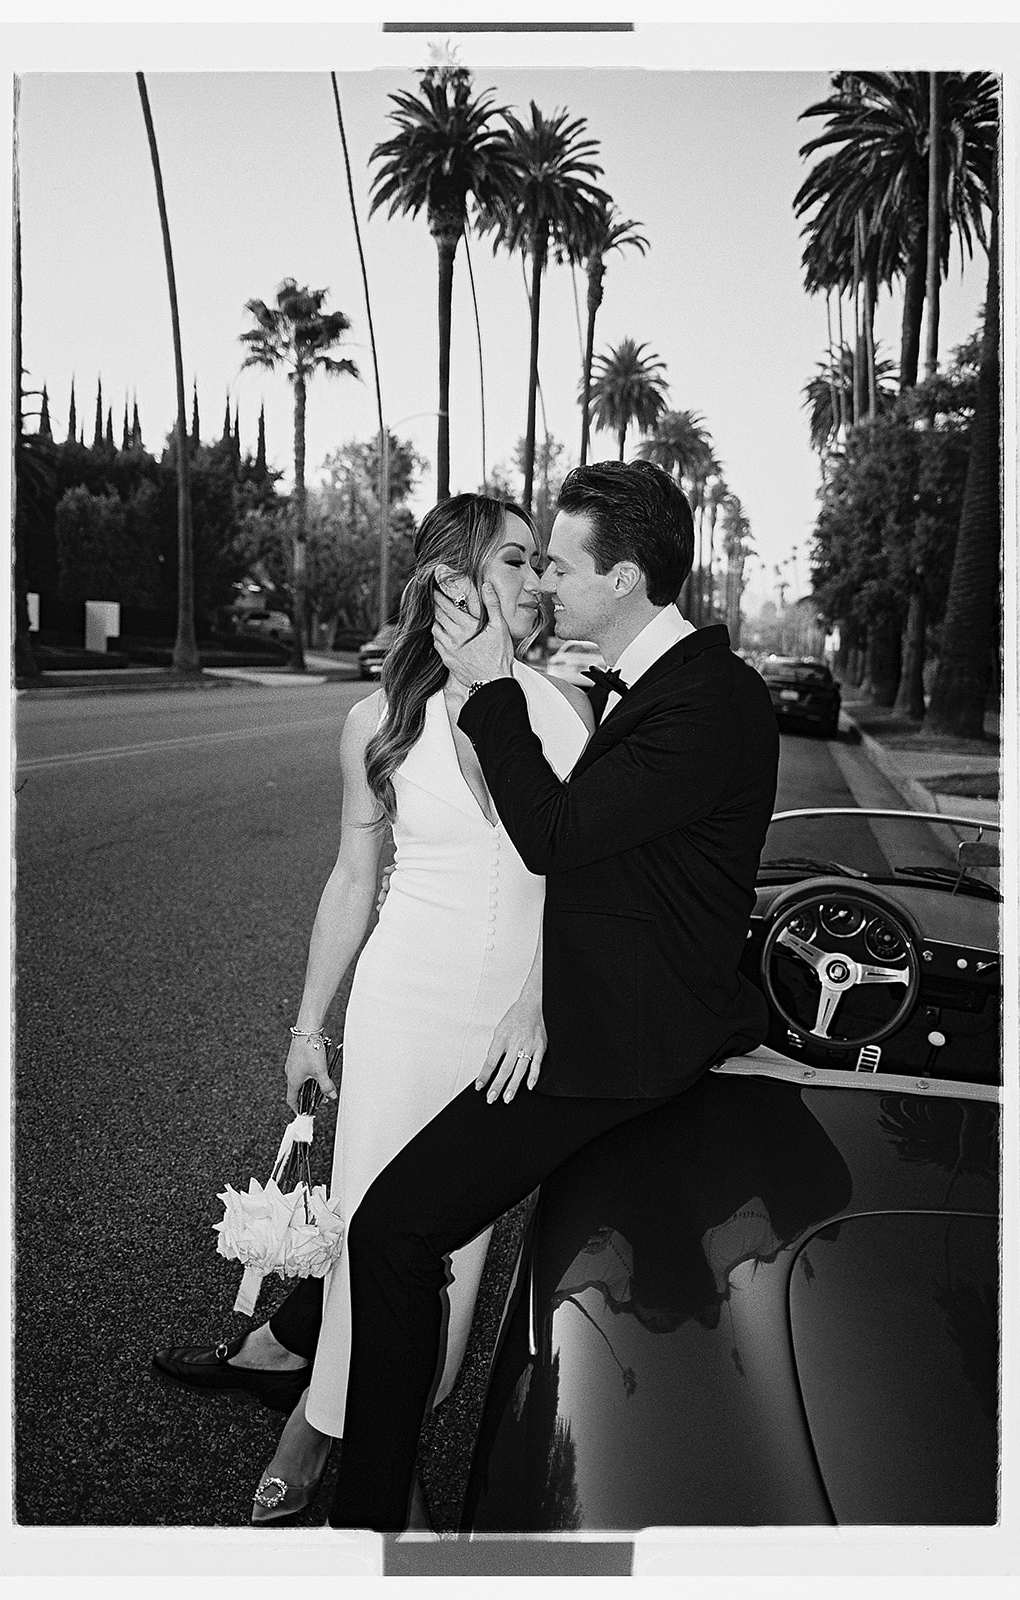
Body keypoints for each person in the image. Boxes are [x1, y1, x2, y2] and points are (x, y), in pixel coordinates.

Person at [323, 459, 780, 1532]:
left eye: (561, 567)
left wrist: (486, 688)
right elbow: (597, 867)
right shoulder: (678, 685)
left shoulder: (708, 698)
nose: (545, 588)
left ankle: (367, 1523)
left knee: (390, 1230)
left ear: (620, 580)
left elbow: (555, 835)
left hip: (612, 1043)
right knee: (393, 1229)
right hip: (585, 1014)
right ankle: (371, 1498)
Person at [152, 494, 593, 1523]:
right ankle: (361, 1467)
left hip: (506, 1028)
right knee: (367, 1241)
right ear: (449, 581)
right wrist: (309, 1026)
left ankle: (331, 1423)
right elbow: (353, 879)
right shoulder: (373, 721)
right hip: (399, 1008)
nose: (535, 582)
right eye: (515, 561)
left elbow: (575, 876)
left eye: (539, 564)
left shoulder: (560, 705)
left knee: (450, 1255)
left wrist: (534, 1002)